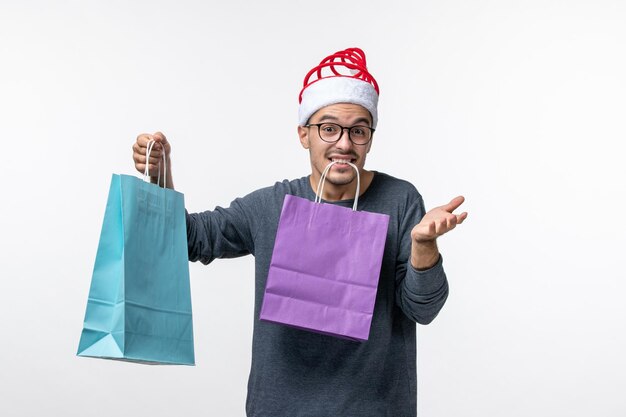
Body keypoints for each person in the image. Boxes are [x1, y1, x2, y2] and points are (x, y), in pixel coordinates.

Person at [132, 47, 467, 417]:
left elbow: (424, 308)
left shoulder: (400, 200)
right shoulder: (272, 206)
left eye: (358, 131)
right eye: (328, 128)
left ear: (370, 137)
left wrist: (423, 246)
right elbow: (189, 239)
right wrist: (160, 177)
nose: (344, 144)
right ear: (303, 134)